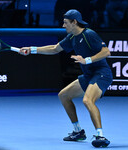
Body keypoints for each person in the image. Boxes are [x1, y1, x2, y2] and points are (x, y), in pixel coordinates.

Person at [19, 9, 113, 148]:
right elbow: (55, 48)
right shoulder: (72, 37)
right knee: (63, 95)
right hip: (88, 75)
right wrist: (32, 49)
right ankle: (78, 132)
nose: (63, 26)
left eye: (65, 23)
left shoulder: (89, 34)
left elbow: (106, 52)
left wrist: (87, 60)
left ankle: (100, 135)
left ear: (74, 22)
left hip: (101, 73)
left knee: (87, 100)